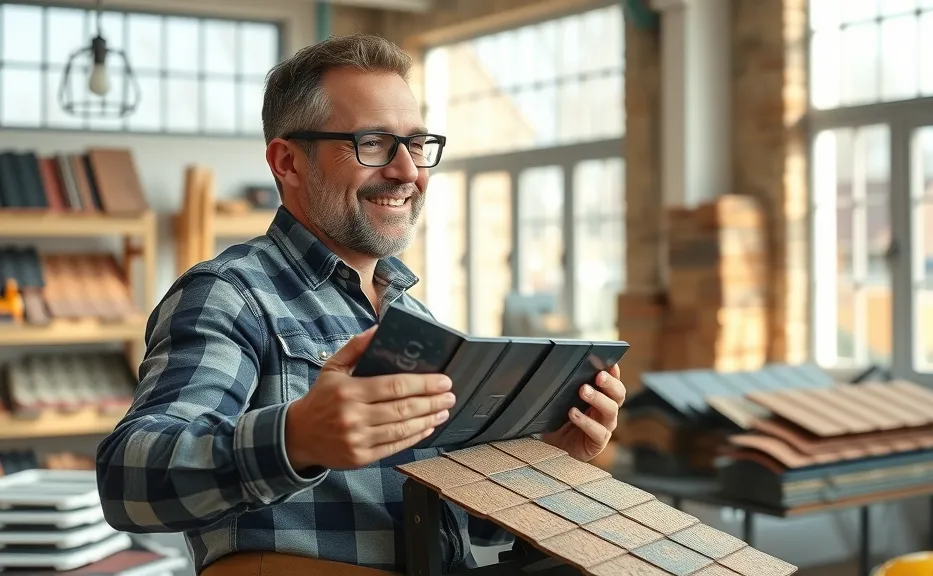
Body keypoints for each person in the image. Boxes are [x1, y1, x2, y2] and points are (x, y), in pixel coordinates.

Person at [94, 33, 626, 576]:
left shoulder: (414, 320)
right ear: (288, 162)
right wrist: (296, 437)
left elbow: (464, 522)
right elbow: (128, 479)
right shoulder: (232, 295)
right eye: (372, 143)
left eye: (416, 146)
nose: (407, 172)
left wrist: (544, 455)